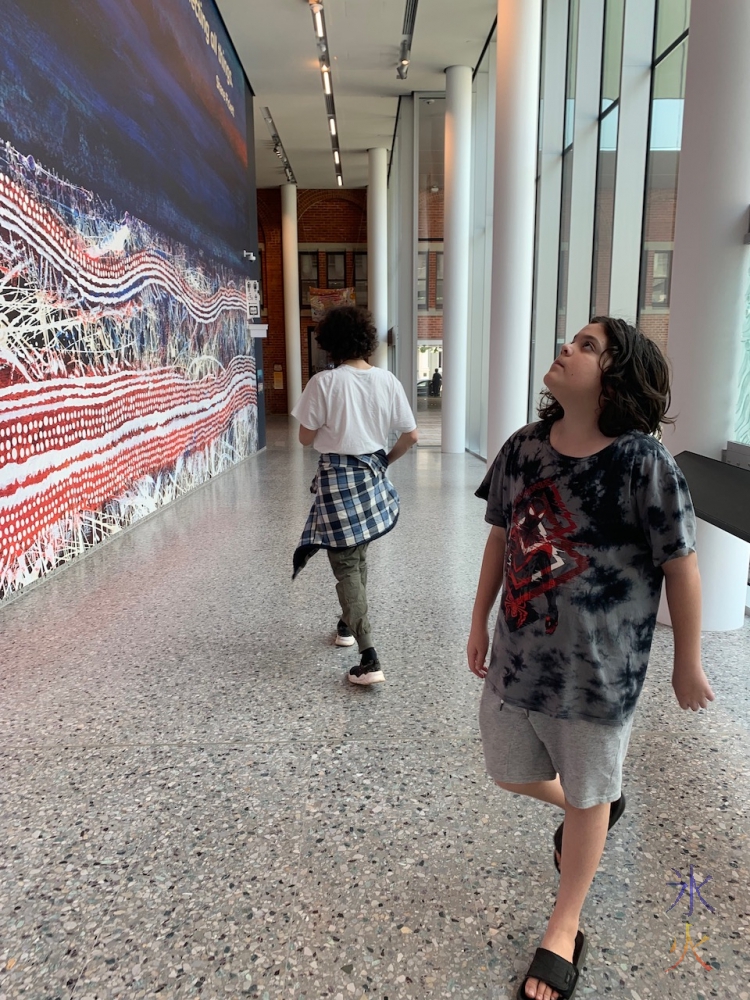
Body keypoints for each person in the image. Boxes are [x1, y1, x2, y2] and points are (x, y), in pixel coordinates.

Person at [467, 316, 715, 1000]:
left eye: (586, 346)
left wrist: (685, 661)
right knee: (508, 771)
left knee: (585, 798)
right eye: (570, 339)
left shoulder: (643, 463)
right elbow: (499, 538)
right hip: (520, 657)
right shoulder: (523, 448)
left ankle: (564, 924)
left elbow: (682, 567)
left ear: (617, 377)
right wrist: (479, 620)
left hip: (600, 676)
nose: (566, 349)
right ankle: (598, 808)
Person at [292, 305, 418, 686]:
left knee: (346, 562)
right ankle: (346, 626)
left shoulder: (324, 383)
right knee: (357, 552)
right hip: (372, 474)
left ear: (329, 344)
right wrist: (384, 462)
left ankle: (369, 656)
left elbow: (304, 437)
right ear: (367, 340)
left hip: (337, 479)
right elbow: (411, 436)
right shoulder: (387, 381)